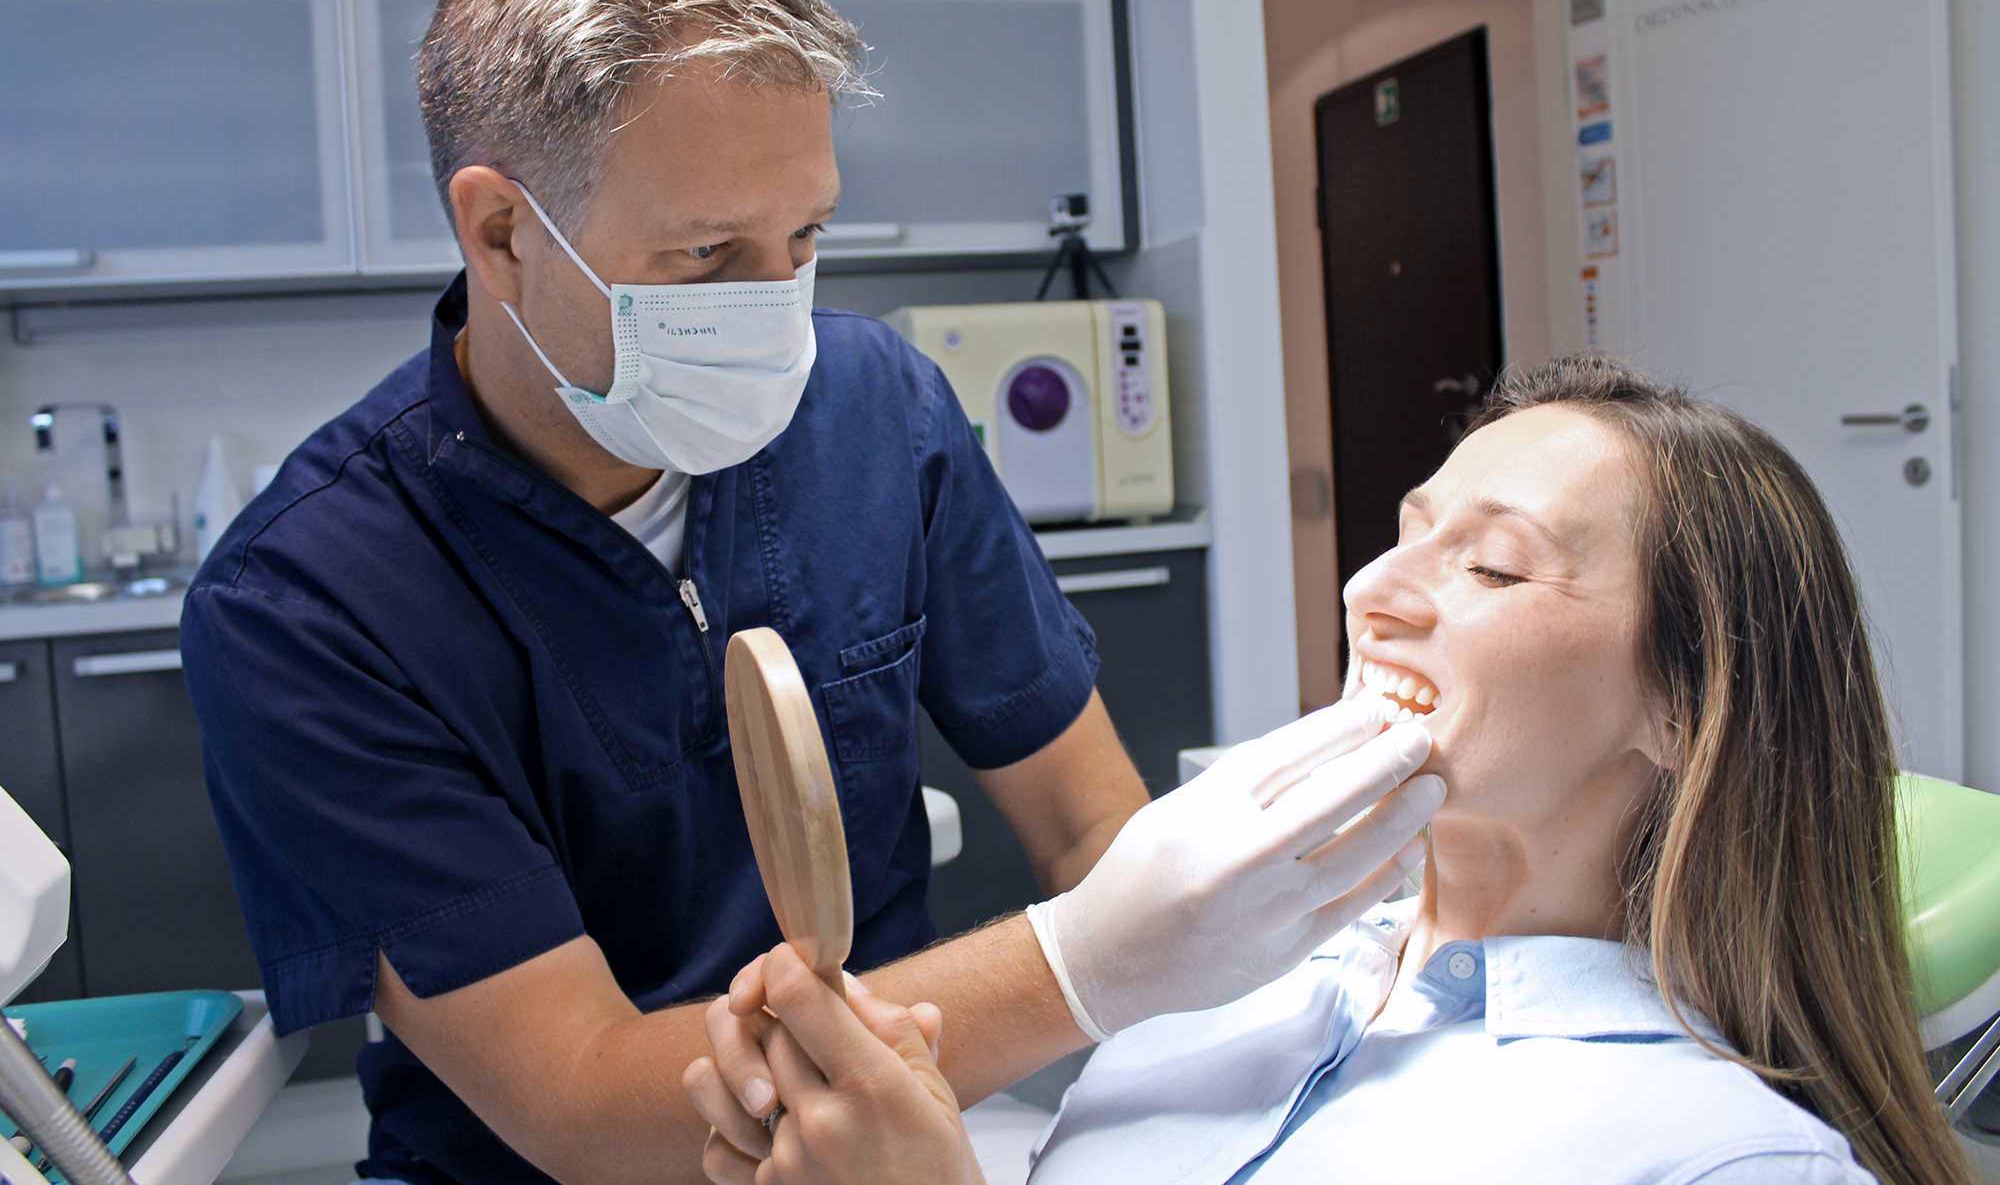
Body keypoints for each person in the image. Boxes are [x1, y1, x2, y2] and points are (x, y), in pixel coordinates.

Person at [181, 0, 1446, 1185]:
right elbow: (582, 1102)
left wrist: (1249, 965)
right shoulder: (306, 602)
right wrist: (1091, 962)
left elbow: (1088, 829)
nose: (774, 311)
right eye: (708, 255)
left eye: (805, 238)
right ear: (504, 233)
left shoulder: (875, 413)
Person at [691, 354, 1980, 1185]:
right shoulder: (1219, 989)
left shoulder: (1716, 1161)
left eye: (1490, 566)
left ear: (1686, 708)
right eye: (1404, 536)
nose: (1370, 593)